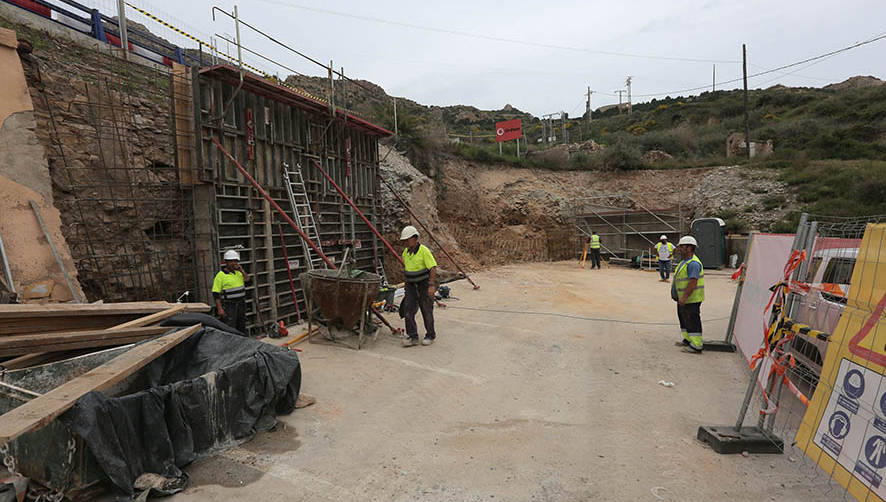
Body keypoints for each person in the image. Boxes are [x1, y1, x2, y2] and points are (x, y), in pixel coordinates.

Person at [400, 225, 437, 347]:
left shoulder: (424, 251)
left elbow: (432, 268)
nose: (406, 242)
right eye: (404, 240)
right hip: (410, 285)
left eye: (408, 239)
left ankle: (430, 335)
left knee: (426, 309)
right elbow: (406, 267)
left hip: (424, 284)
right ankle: (412, 336)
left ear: (415, 238)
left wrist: (431, 286)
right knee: (408, 310)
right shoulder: (405, 253)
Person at [673, 236, 705, 353]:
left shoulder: (693, 264)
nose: (680, 249)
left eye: (682, 246)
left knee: (692, 320)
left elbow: (693, 282)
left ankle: (696, 345)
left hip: (691, 299)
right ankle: (687, 339)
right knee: (684, 319)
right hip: (683, 299)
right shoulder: (684, 262)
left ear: (689, 248)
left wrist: (684, 297)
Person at [212, 249, 251, 334]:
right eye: (231, 261)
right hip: (229, 305)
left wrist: (242, 271)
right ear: (226, 262)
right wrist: (220, 308)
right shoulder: (220, 275)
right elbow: (215, 293)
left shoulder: (239, 273)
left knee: (241, 324)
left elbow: (248, 280)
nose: (234, 263)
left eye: (236, 261)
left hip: (241, 303)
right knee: (230, 326)